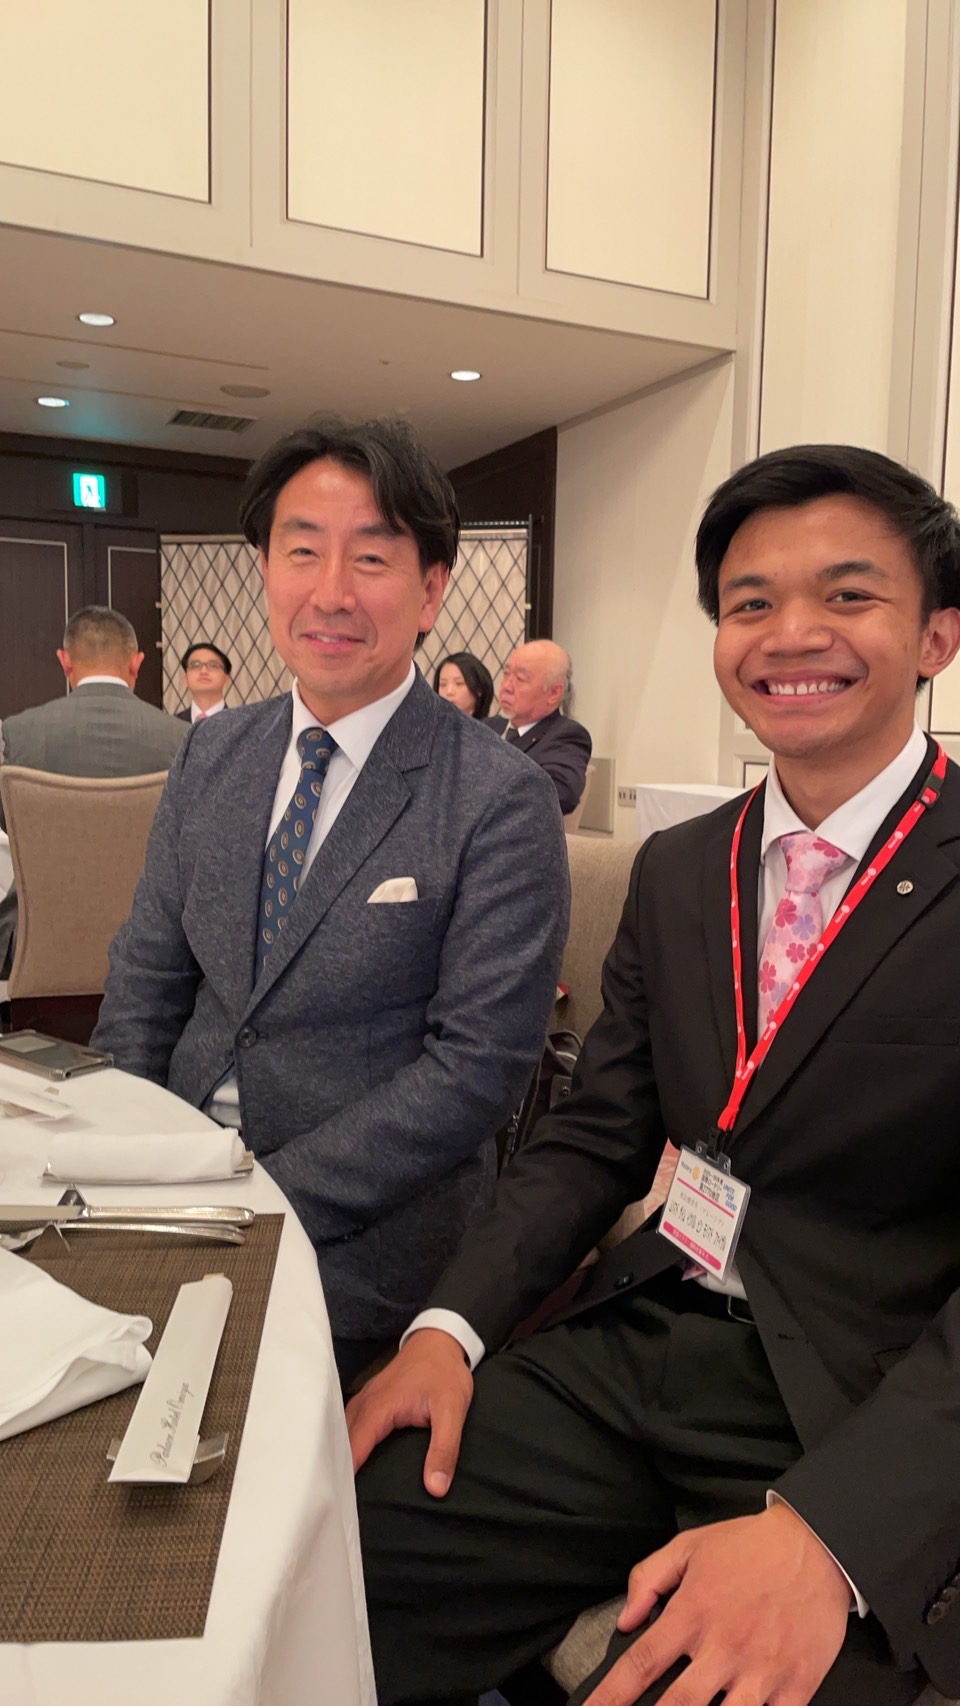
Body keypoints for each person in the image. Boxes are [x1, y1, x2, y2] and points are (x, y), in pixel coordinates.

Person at [350, 444, 960, 1706]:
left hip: (862, 1393)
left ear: (937, 637)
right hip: (644, 1333)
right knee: (333, 1544)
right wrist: (448, 1327)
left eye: (849, 594)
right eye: (750, 601)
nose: (792, 632)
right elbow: (595, 1135)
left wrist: (839, 1531)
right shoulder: (683, 868)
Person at [92, 417, 569, 1386]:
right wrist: (125, 1152)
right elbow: (147, 977)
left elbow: (476, 1070)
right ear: (265, 569)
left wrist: (257, 1198)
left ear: (431, 589)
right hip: (170, 1190)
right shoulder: (211, 752)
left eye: (373, 557)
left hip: (364, 1246)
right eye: (302, 550)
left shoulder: (496, 794)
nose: (332, 591)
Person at [0, 606, 187, 975]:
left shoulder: (16, 735)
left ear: (65, 661)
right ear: (136, 663)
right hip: (159, 953)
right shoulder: (185, 739)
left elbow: (11, 833)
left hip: (38, 947)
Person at [488, 639, 592, 814]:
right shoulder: (487, 727)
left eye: (520, 679)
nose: (506, 686)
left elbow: (560, 794)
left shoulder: (566, 735)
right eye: (506, 674)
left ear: (553, 693)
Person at [177, 641, 232, 722]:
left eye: (213, 665)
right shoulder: (172, 724)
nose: (204, 671)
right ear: (186, 679)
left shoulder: (242, 725)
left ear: (226, 679)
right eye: (196, 665)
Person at [432, 652, 494, 720]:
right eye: (443, 684)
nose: (449, 692)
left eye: (459, 683)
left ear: (479, 689)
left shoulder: (491, 725)